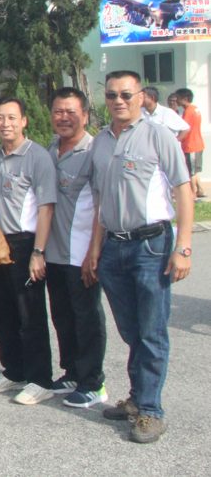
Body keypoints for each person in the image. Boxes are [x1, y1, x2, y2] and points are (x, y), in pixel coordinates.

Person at [87, 71, 193, 443]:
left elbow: (183, 190)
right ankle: (137, 398)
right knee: (131, 330)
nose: (118, 100)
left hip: (152, 246)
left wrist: (183, 247)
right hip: (114, 247)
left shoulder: (158, 135)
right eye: (112, 94)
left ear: (140, 96)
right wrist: (96, 250)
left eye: (126, 94)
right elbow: (99, 200)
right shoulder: (100, 142)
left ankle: (150, 410)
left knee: (151, 330)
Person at [0, 98, 57, 405]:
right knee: (2, 312)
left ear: (24, 121)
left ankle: (40, 378)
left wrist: (38, 251)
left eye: (12, 118)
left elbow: (46, 207)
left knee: (30, 313)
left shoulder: (37, 157)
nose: (5, 124)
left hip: (25, 244)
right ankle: (14, 370)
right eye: (0, 118)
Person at [44, 88, 108, 409]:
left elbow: (100, 206)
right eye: (58, 111)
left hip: (81, 251)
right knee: (62, 315)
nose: (64, 117)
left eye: (71, 111)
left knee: (87, 316)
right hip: (53, 252)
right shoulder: (51, 148)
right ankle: (71, 370)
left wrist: (93, 252)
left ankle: (93, 381)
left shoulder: (94, 150)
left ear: (84, 114)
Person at [175, 87, 204, 197]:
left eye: (178, 98)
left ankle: (193, 193)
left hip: (190, 145)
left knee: (190, 171)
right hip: (198, 144)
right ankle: (200, 190)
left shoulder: (188, 112)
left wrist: (177, 139)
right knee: (195, 170)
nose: (176, 101)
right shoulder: (195, 109)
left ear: (185, 98)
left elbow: (184, 128)